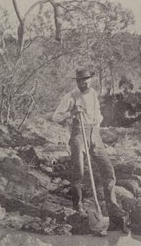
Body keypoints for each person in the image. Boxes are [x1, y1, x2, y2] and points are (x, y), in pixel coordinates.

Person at [52, 68, 126, 220]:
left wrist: (96, 125)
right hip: (79, 134)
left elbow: (98, 113)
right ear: (77, 82)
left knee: (108, 170)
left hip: (94, 133)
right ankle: (77, 205)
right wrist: (71, 113)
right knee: (78, 172)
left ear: (90, 80)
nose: (84, 84)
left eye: (86, 81)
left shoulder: (93, 93)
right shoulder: (70, 96)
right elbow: (56, 117)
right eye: (81, 82)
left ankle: (112, 206)